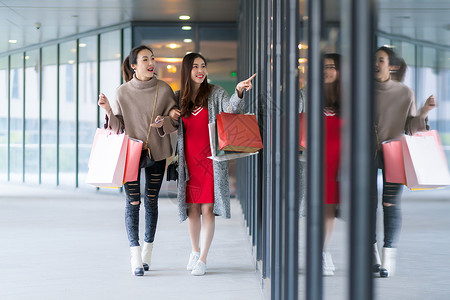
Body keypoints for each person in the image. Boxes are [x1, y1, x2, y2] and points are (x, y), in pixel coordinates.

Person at [97, 45, 179, 276]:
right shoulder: (122, 92)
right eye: (145, 59)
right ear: (134, 65)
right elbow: (118, 126)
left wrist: (166, 120)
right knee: (133, 203)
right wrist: (108, 111)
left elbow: (174, 121)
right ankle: (135, 256)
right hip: (130, 154)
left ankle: (147, 254)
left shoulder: (164, 89)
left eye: (152, 58)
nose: (151, 62)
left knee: (151, 201)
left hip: (158, 152)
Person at [173, 52, 256, 276]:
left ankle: (203, 258)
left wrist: (239, 91)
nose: (201, 71)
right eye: (195, 67)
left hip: (211, 162)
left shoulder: (216, 92)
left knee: (208, 209)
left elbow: (231, 110)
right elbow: (172, 126)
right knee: (192, 209)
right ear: (187, 71)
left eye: (203, 66)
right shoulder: (178, 96)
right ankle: (194, 250)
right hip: (188, 162)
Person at [373, 46, 436, 277]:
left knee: (389, 205)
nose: (376, 63)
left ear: (392, 66)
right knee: (368, 205)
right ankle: (372, 257)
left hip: (394, 152)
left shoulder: (404, 92)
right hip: (365, 153)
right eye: (374, 59)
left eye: (381, 60)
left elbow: (411, 128)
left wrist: (423, 113)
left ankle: (388, 257)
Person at [321, 53, 343, 276]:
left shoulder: (349, 99)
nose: (326, 71)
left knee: (328, 210)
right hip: (311, 162)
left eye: (331, 67)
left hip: (337, 165)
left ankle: (324, 252)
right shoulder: (308, 96)